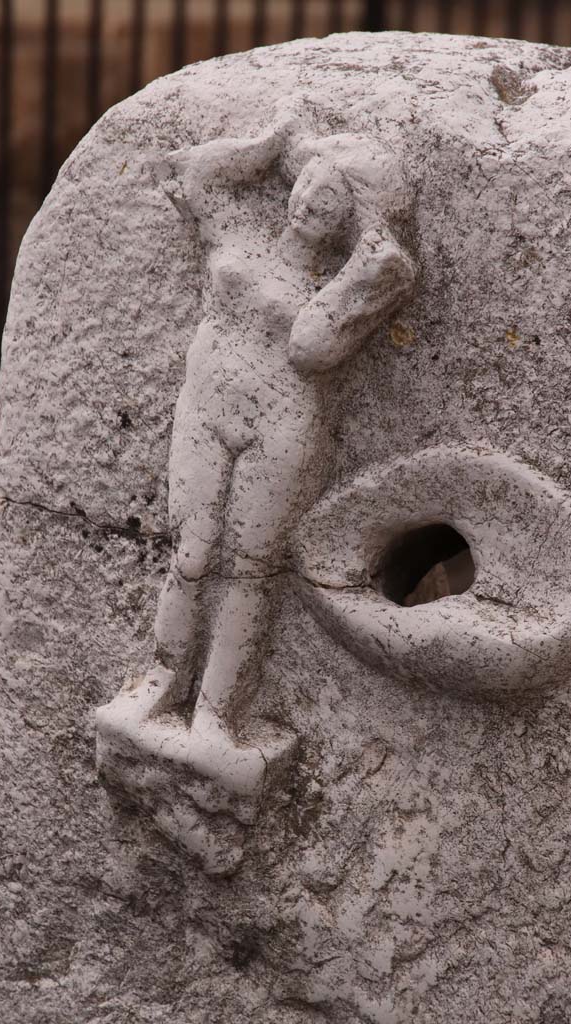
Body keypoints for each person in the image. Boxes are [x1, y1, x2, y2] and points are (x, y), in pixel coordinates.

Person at [98, 117, 416, 811]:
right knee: (189, 552)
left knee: (247, 570)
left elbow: (311, 348)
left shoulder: (339, 284)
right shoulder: (236, 237)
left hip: (281, 426)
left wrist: (372, 273)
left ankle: (215, 715)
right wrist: (269, 141)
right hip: (207, 410)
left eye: (331, 201)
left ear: (347, 222)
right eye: (308, 184)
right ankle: (160, 683)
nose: (309, 201)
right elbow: (187, 173)